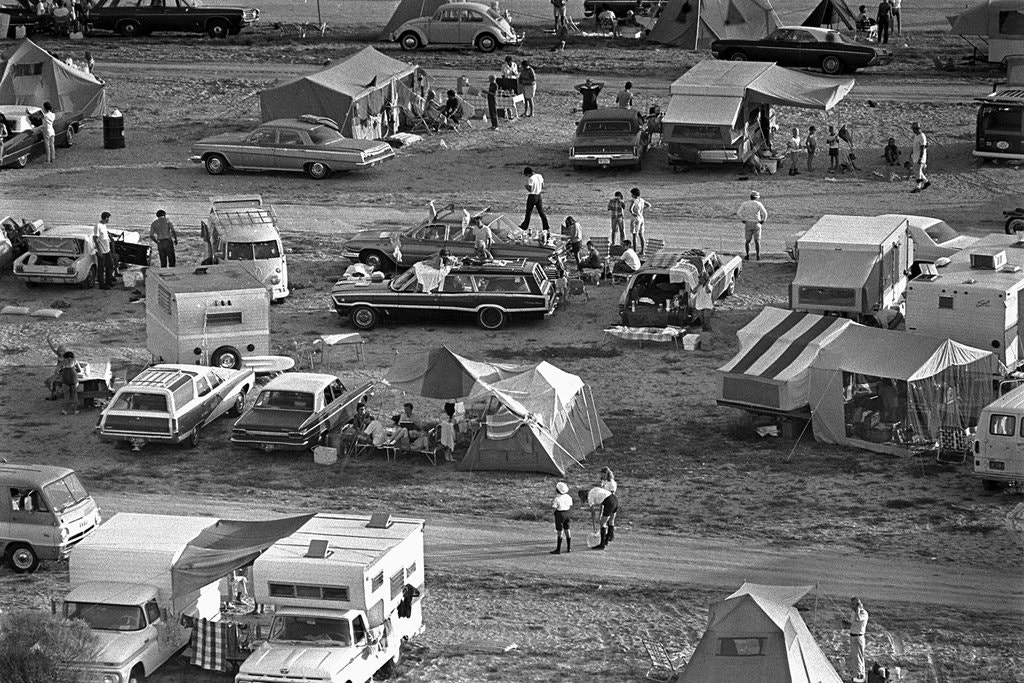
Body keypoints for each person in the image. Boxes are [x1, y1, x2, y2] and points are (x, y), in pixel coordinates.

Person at [843, 597, 870, 682]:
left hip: (858, 637)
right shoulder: (854, 612)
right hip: (853, 637)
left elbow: (858, 619)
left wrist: (858, 610)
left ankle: (859, 679)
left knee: (858, 659)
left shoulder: (863, 613)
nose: (851, 606)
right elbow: (852, 622)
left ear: (858, 605)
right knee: (855, 658)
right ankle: (859, 676)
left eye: (853, 604)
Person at [737, 191, 768, 261]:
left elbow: (738, 213)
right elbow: (765, 213)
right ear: (756, 198)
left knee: (747, 241)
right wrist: (763, 220)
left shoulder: (745, 204)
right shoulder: (758, 204)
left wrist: (743, 219)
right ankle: (758, 255)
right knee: (757, 241)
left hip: (748, 223)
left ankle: (747, 255)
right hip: (756, 223)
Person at [520, 166, 551, 236]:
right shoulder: (539, 176)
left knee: (528, 212)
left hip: (532, 196)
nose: (527, 176)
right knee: (541, 212)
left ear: (528, 173)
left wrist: (526, 186)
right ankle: (546, 227)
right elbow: (542, 186)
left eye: (526, 175)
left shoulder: (531, 179)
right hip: (539, 196)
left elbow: (530, 189)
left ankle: (524, 226)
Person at [549, 482, 573, 554]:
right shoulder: (568, 496)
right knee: (567, 529)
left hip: (560, 514)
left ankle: (558, 549)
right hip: (567, 513)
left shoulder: (557, 498)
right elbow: (570, 505)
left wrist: (554, 513)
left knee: (560, 530)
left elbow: (554, 508)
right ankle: (569, 547)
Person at [94, 211, 115, 289]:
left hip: (107, 250)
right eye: (108, 218)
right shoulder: (98, 226)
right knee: (101, 268)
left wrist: (110, 236)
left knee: (110, 265)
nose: (109, 220)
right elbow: (95, 239)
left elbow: (105, 235)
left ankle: (108, 282)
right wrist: (99, 251)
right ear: (106, 218)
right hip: (101, 251)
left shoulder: (104, 225)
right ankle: (102, 284)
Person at [628, 187, 650, 256]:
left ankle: (634, 252)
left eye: (632, 194)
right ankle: (642, 251)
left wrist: (633, 213)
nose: (631, 195)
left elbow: (630, 209)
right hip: (641, 218)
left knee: (634, 236)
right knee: (641, 235)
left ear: (634, 194)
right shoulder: (642, 200)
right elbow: (649, 205)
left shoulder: (634, 200)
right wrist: (642, 209)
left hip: (636, 219)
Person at [910, 121, 930, 193]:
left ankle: (918, 187)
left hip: (919, 157)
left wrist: (920, 158)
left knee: (918, 173)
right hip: (916, 157)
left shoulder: (921, 136)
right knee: (918, 171)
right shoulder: (917, 136)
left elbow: (922, 148)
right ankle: (926, 182)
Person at [59, 351, 81, 415]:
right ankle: (75, 410)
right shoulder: (75, 361)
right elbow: (79, 370)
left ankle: (65, 410)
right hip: (73, 378)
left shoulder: (62, 362)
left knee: (66, 396)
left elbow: (56, 371)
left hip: (65, 378)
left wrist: (61, 372)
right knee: (75, 395)